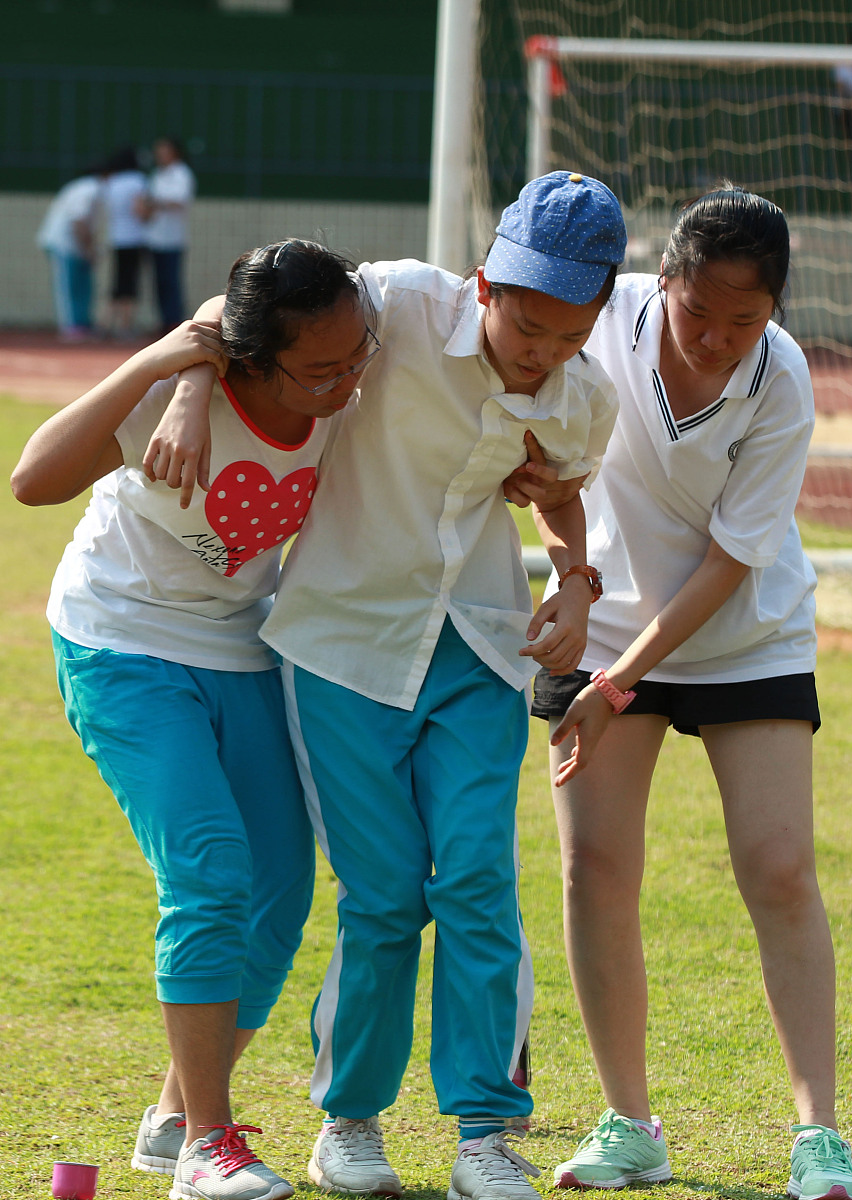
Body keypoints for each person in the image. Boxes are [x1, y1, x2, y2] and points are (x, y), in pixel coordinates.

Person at [151, 171, 626, 1200]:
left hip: (476, 651)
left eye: (566, 331)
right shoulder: (399, 300)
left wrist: (575, 584)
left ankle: (484, 1137)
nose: (539, 349)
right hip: (340, 648)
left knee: (475, 884)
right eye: (525, 321)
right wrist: (191, 390)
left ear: (597, 316)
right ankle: (350, 1122)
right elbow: (240, 305)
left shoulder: (586, 396)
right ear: (483, 281)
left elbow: (557, 499)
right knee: (381, 897)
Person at [10, 239, 382, 1200]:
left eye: (356, 359)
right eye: (319, 370)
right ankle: (211, 1148)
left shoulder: (343, 384)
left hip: (239, 644)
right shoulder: (176, 388)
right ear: (250, 358)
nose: (345, 382)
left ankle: (177, 1118)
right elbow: (33, 480)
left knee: (279, 894)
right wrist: (166, 370)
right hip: (120, 642)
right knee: (211, 869)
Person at [524, 186, 852, 1200]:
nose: (717, 337)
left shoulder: (781, 378)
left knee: (777, 867)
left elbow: (724, 565)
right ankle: (628, 1124)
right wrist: (576, 591)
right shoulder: (594, 327)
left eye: (744, 319)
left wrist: (613, 685)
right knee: (593, 867)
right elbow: (551, 479)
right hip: (605, 623)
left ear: (773, 312)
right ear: (660, 282)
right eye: (697, 311)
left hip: (742, 635)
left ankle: (818, 1137)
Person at [36, 164, 106, 341]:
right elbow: (79, 222)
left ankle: (83, 323)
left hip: (76, 246)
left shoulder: (90, 189)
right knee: (69, 286)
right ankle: (71, 326)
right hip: (64, 245)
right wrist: (89, 249)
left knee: (84, 286)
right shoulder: (89, 188)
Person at [141, 136, 196, 334]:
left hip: (173, 238)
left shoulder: (181, 174)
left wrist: (155, 203)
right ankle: (164, 320)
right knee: (159, 283)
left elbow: (179, 201)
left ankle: (174, 321)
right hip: (155, 237)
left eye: (164, 151)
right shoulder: (157, 174)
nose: (159, 155)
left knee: (171, 281)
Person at [101, 146, 149, 339]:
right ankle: (125, 325)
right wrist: (149, 214)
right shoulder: (138, 181)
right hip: (134, 237)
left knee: (117, 282)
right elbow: (140, 210)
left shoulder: (112, 182)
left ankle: (105, 323)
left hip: (116, 237)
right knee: (130, 283)